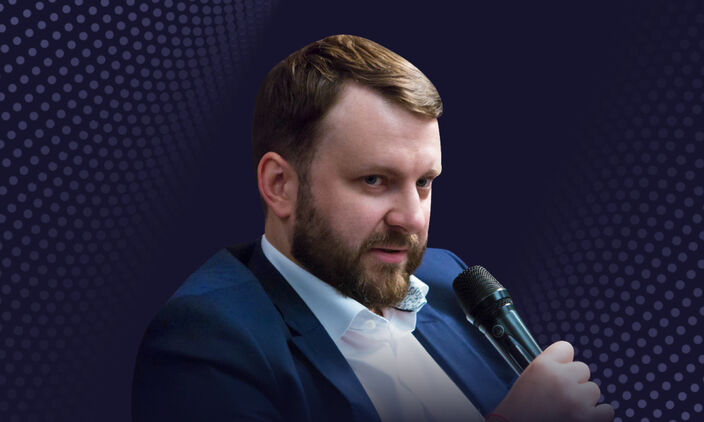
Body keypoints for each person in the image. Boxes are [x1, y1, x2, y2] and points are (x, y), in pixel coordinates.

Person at [132, 34, 614, 422]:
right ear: (280, 185)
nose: (412, 218)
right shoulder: (206, 340)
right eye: (374, 180)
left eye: (424, 182)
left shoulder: (447, 280)